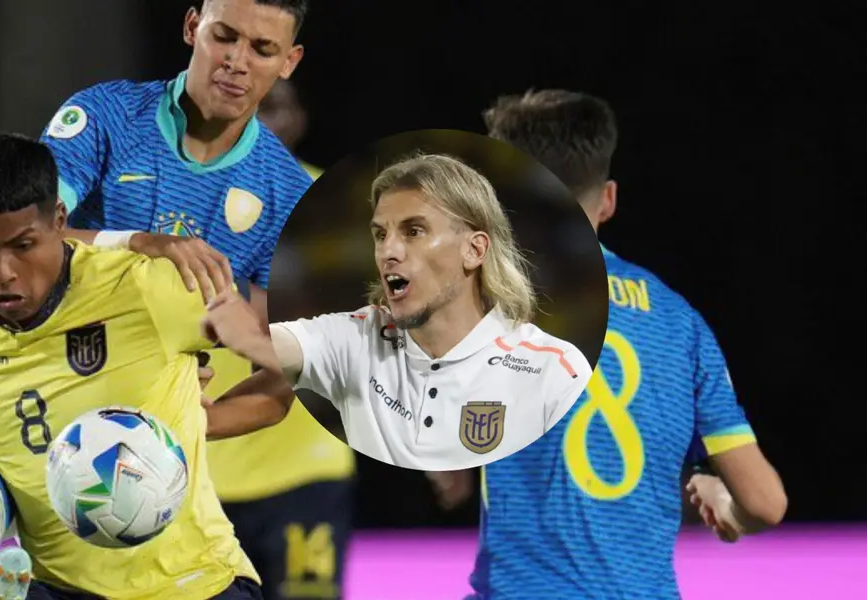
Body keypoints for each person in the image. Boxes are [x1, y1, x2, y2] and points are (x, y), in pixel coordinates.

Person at [0, 1, 314, 598]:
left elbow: (288, 374)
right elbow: (24, 223)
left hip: (119, 390)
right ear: (192, 28)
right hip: (9, 351)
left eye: (262, 49)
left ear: (288, 61)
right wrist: (136, 240)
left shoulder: (289, 195)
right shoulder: (107, 115)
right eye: (224, 37)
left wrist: (188, 425)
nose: (236, 62)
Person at [436, 89, 787, 599]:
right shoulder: (681, 324)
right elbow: (765, 503)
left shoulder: (483, 299)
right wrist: (726, 505)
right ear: (608, 199)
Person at [0, 131, 295, 600]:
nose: (3, 273)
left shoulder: (148, 291)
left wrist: (208, 420)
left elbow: (299, 357)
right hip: (59, 588)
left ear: (60, 219)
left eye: (23, 245)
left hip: (195, 585)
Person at [202, 152, 594, 471]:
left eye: (414, 231)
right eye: (380, 234)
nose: (388, 250)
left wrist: (248, 337)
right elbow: (286, 350)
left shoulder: (552, 369)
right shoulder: (356, 336)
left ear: (474, 250)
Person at [208, 77, 357, 600]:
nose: (264, 121)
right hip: (201, 479)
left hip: (306, 475)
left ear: (298, 119)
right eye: (250, 108)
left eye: (275, 107)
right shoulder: (184, 201)